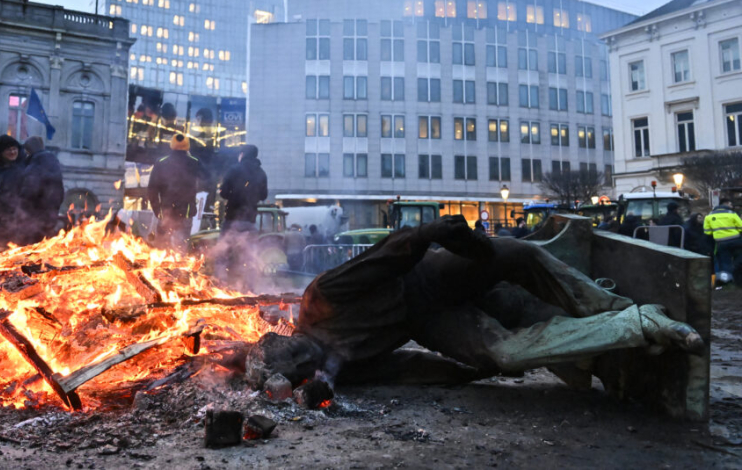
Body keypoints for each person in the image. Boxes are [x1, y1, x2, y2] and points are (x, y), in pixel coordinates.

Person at [253, 216, 704, 389]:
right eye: (299, 366)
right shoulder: (334, 371)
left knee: (519, 254)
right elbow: (406, 368)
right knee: (507, 353)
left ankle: (607, 303)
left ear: (288, 336)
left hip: (426, 275)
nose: (305, 357)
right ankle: (636, 323)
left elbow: (384, 257)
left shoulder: (319, 299)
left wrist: (432, 233)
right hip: (431, 319)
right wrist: (469, 371)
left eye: (294, 350)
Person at [148, 134, 204, 251]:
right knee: (180, 248)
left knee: (162, 249)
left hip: (165, 212)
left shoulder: (161, 162)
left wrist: (157, 210)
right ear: (187, 146)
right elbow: (208, 179)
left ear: (171, 145)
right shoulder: (194, 162)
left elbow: (152, 189)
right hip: (186, 212)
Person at [19, 136, 65, 245]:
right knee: (45, 243)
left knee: (32, 245)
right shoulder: (54, 162)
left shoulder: (35, 164)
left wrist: (21, 205)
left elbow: (30, 190)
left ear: (28, 150)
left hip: (36, 215)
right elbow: (60, 192)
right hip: (51, 213)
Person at [0, 135, 26, 250]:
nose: (12, 152)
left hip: (17, 217)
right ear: (1, 152)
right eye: (8, 150)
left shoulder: (24, 165)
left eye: (14, 149)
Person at [219, 144, 268, 234]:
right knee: (249, 242)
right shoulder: (261, 173)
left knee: (225, 241)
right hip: (250, 219)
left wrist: (233, 196)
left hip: (232, 217)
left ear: (242, 154)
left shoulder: (234, 170)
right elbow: (264, 195)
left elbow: (223, 192)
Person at [704, 199, 742, 284]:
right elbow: (741, 227)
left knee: (725, 262)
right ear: (726, 204)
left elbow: (707, 232)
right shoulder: (732, 214)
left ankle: (727, 281)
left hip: (721, 243)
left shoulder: (708, 216)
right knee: (739, 258)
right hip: (736, 240)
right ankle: (737, 277)